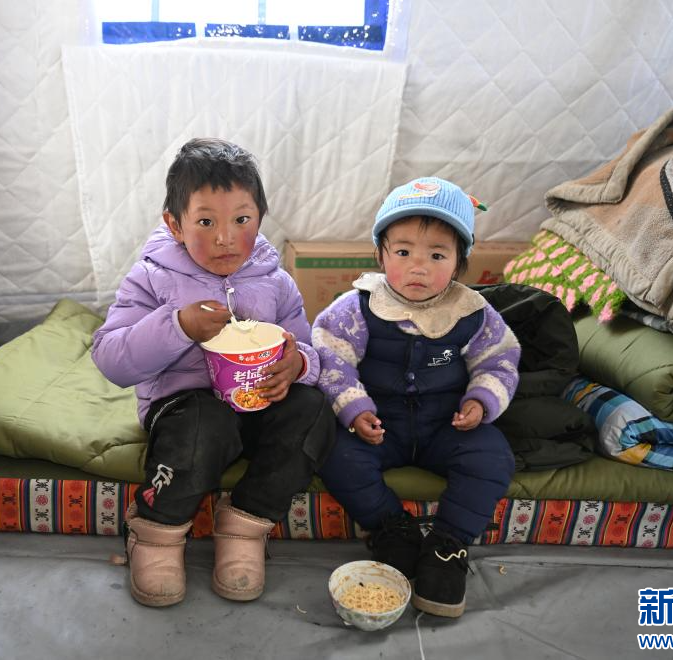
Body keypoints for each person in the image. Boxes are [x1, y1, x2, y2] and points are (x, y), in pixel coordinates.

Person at [92, 138, 335, 608]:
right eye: (206, 222)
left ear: (260, 218)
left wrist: (298, 364)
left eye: (241, 220)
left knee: (313, 410)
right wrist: (178, 325)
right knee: (203, 422)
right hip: (186, 408)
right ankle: (157, 531)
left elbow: (305, 346)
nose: (225, 237)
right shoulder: (152, 277)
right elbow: (111, 359)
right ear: (175, 225)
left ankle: (245, 524)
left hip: (260, 405)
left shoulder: (276, 280)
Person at [312, 177, 519, 618]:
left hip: (446, 424)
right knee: (334, 453)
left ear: (460, 262)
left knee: (493, 457)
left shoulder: (473, 313)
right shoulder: (357, 307)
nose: (419, 268)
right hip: (377, 426)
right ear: (381, 254)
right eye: (403, 253)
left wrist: (480, 402)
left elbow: (500, 361)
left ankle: (447, 546)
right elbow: (331, 357)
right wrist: (354, 410)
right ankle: (393, 529)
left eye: (437, 256)